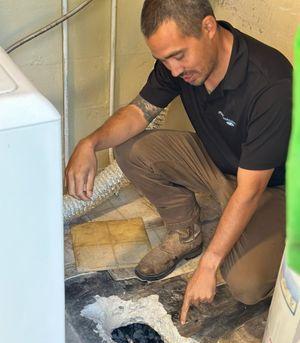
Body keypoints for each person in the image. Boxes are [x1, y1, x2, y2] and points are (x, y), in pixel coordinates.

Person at [65, 0, 292, 325]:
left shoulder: (270, 84)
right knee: (130, 149)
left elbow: (251, 190)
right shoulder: (182, 66)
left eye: (178, 56)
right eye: (163, 59)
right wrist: (90, 143)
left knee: (245, 284)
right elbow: (138, 113)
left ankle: (274, 238)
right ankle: (187, 233)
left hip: (273, 187)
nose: (172, 70)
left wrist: (209, 264)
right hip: (220, 164)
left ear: (209, 28)